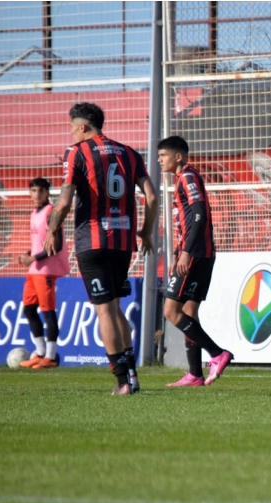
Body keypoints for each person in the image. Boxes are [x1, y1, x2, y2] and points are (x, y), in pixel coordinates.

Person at [43, 102, 158, 395]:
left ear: (82, 126)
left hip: (92, 241)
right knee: (116, 310)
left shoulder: (76, 152)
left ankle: (121, 382)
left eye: (71, 127)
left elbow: (66, 200)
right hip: (123, 242)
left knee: (104, 312)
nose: (71, 133)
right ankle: (132, 375)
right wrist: (145, 231)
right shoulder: (130, 153)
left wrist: (53, 230)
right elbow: (153, 197)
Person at [158, 135, 233, 387]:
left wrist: (186, 252)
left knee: (171, 311)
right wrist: (177, 253)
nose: (159, 160)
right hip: (198, 253)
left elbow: (199, 213)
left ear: (178, 157)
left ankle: (217, 354)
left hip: (197, 254)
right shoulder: (184, 177)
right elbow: (187, 220)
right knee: (189, 311)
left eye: (163, 156)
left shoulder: (188, 177)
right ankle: (194, 374)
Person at [17, 177, 71, 369]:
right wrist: (28, 254)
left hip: (46, 269)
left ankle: (51, 356)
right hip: (35, 269)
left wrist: (34, 258)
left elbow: (55, 246)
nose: (36, 194)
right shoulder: (34, 213)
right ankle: (40, 352)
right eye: (33, 191)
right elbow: (40, 243)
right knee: (29, 309)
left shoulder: (51, 213)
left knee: (48, 311)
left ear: (47, 192)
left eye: (40, 190)